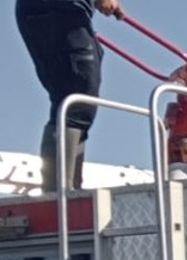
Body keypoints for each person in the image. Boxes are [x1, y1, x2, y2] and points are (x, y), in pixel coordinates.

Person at [16, 0, 122, 193]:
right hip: (60, 10)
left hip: (56, 11)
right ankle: (59, 196)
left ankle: (67, 190)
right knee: (79, 97)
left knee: (73, 101)